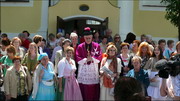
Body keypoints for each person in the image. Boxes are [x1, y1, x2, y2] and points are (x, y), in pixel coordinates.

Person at [76, 27, 102, 100]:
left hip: (93, 70)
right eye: (86, 38)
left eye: (89, 38)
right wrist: (86, 60)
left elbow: (100, 57)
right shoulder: (80, 46)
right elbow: (77, 58)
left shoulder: (97, 46)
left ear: (92, 37)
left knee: (93, 90)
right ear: (84, 38)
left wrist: (92, 59)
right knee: (84, 90)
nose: (88, 40)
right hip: (84, 71)